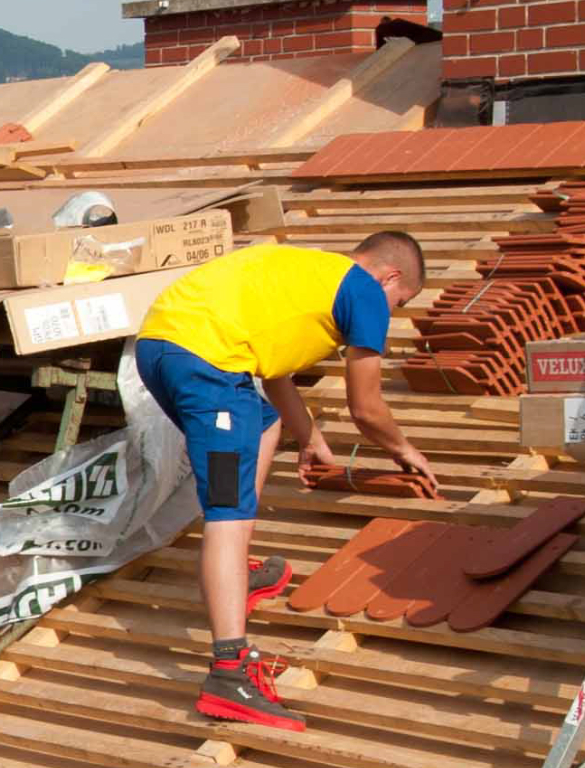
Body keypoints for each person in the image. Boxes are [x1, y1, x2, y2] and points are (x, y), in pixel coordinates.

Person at [135, 233, 433, 732]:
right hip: (209, 367)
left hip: (163, 348)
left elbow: (275, 376)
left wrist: (309, 437)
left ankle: (234, 573)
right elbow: (367, 408)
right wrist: (404, 449)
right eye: (399, 303)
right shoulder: (362, 288)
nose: (390, 312)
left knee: (262, 420)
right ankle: (229, 671)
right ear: (391, 277)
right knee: (227, 509)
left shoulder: (306, 274)